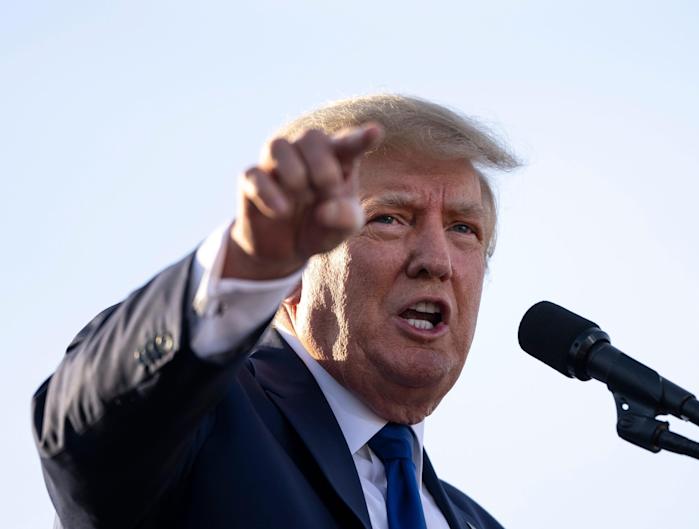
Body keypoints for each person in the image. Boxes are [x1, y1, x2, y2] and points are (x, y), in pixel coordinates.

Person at [32, 94, 518, 529]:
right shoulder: (203, 421)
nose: (435, 260)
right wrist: (248, 262)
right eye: (389, 219)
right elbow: (86, 435)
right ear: (295, 269)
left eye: (463, 229)